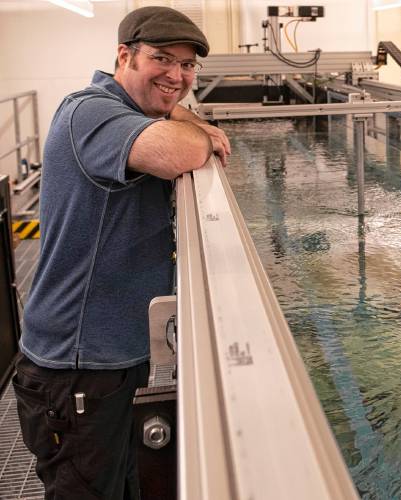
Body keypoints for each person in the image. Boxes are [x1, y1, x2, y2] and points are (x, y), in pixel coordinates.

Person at [12, 7, 230, 499]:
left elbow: (177, 122)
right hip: (75, 369)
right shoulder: (88, 110)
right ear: (123, 55)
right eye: (162, 59)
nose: (177, 75)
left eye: (188, 65)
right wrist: (190, 124)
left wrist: (176, 110)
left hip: (111, 360)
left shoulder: (131, 111)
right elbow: (180, 153)